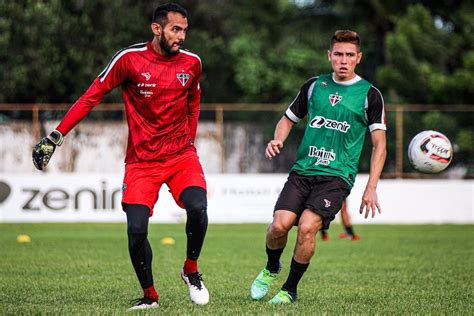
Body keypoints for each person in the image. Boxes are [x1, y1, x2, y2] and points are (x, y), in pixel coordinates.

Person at [32, 3, 209, 310]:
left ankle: (191, 270)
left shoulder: (192, 63)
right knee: (136, 229)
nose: (181, 36)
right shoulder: (128, 60)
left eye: (184, 30)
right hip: (142, 161)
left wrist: (189, 139)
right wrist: (56, 136)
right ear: (157, 29)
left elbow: (194, 101)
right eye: (175, 29)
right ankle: (150, 296)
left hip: (181, 156)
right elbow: (91, 97)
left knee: (197, 206)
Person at [250, 30, 386, 304]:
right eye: (338, 54)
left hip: (337, 177)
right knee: (278, 226)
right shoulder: (314, 86)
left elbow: (379, 145)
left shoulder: (369, 95)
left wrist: (371, 187)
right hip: (303, 171)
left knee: (308, 226)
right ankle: (271, 267)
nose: (343, 60)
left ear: (358, 58)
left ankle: (289, 289)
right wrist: (278, 138)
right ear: (329, 56)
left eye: (349, 55)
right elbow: (288, 118)